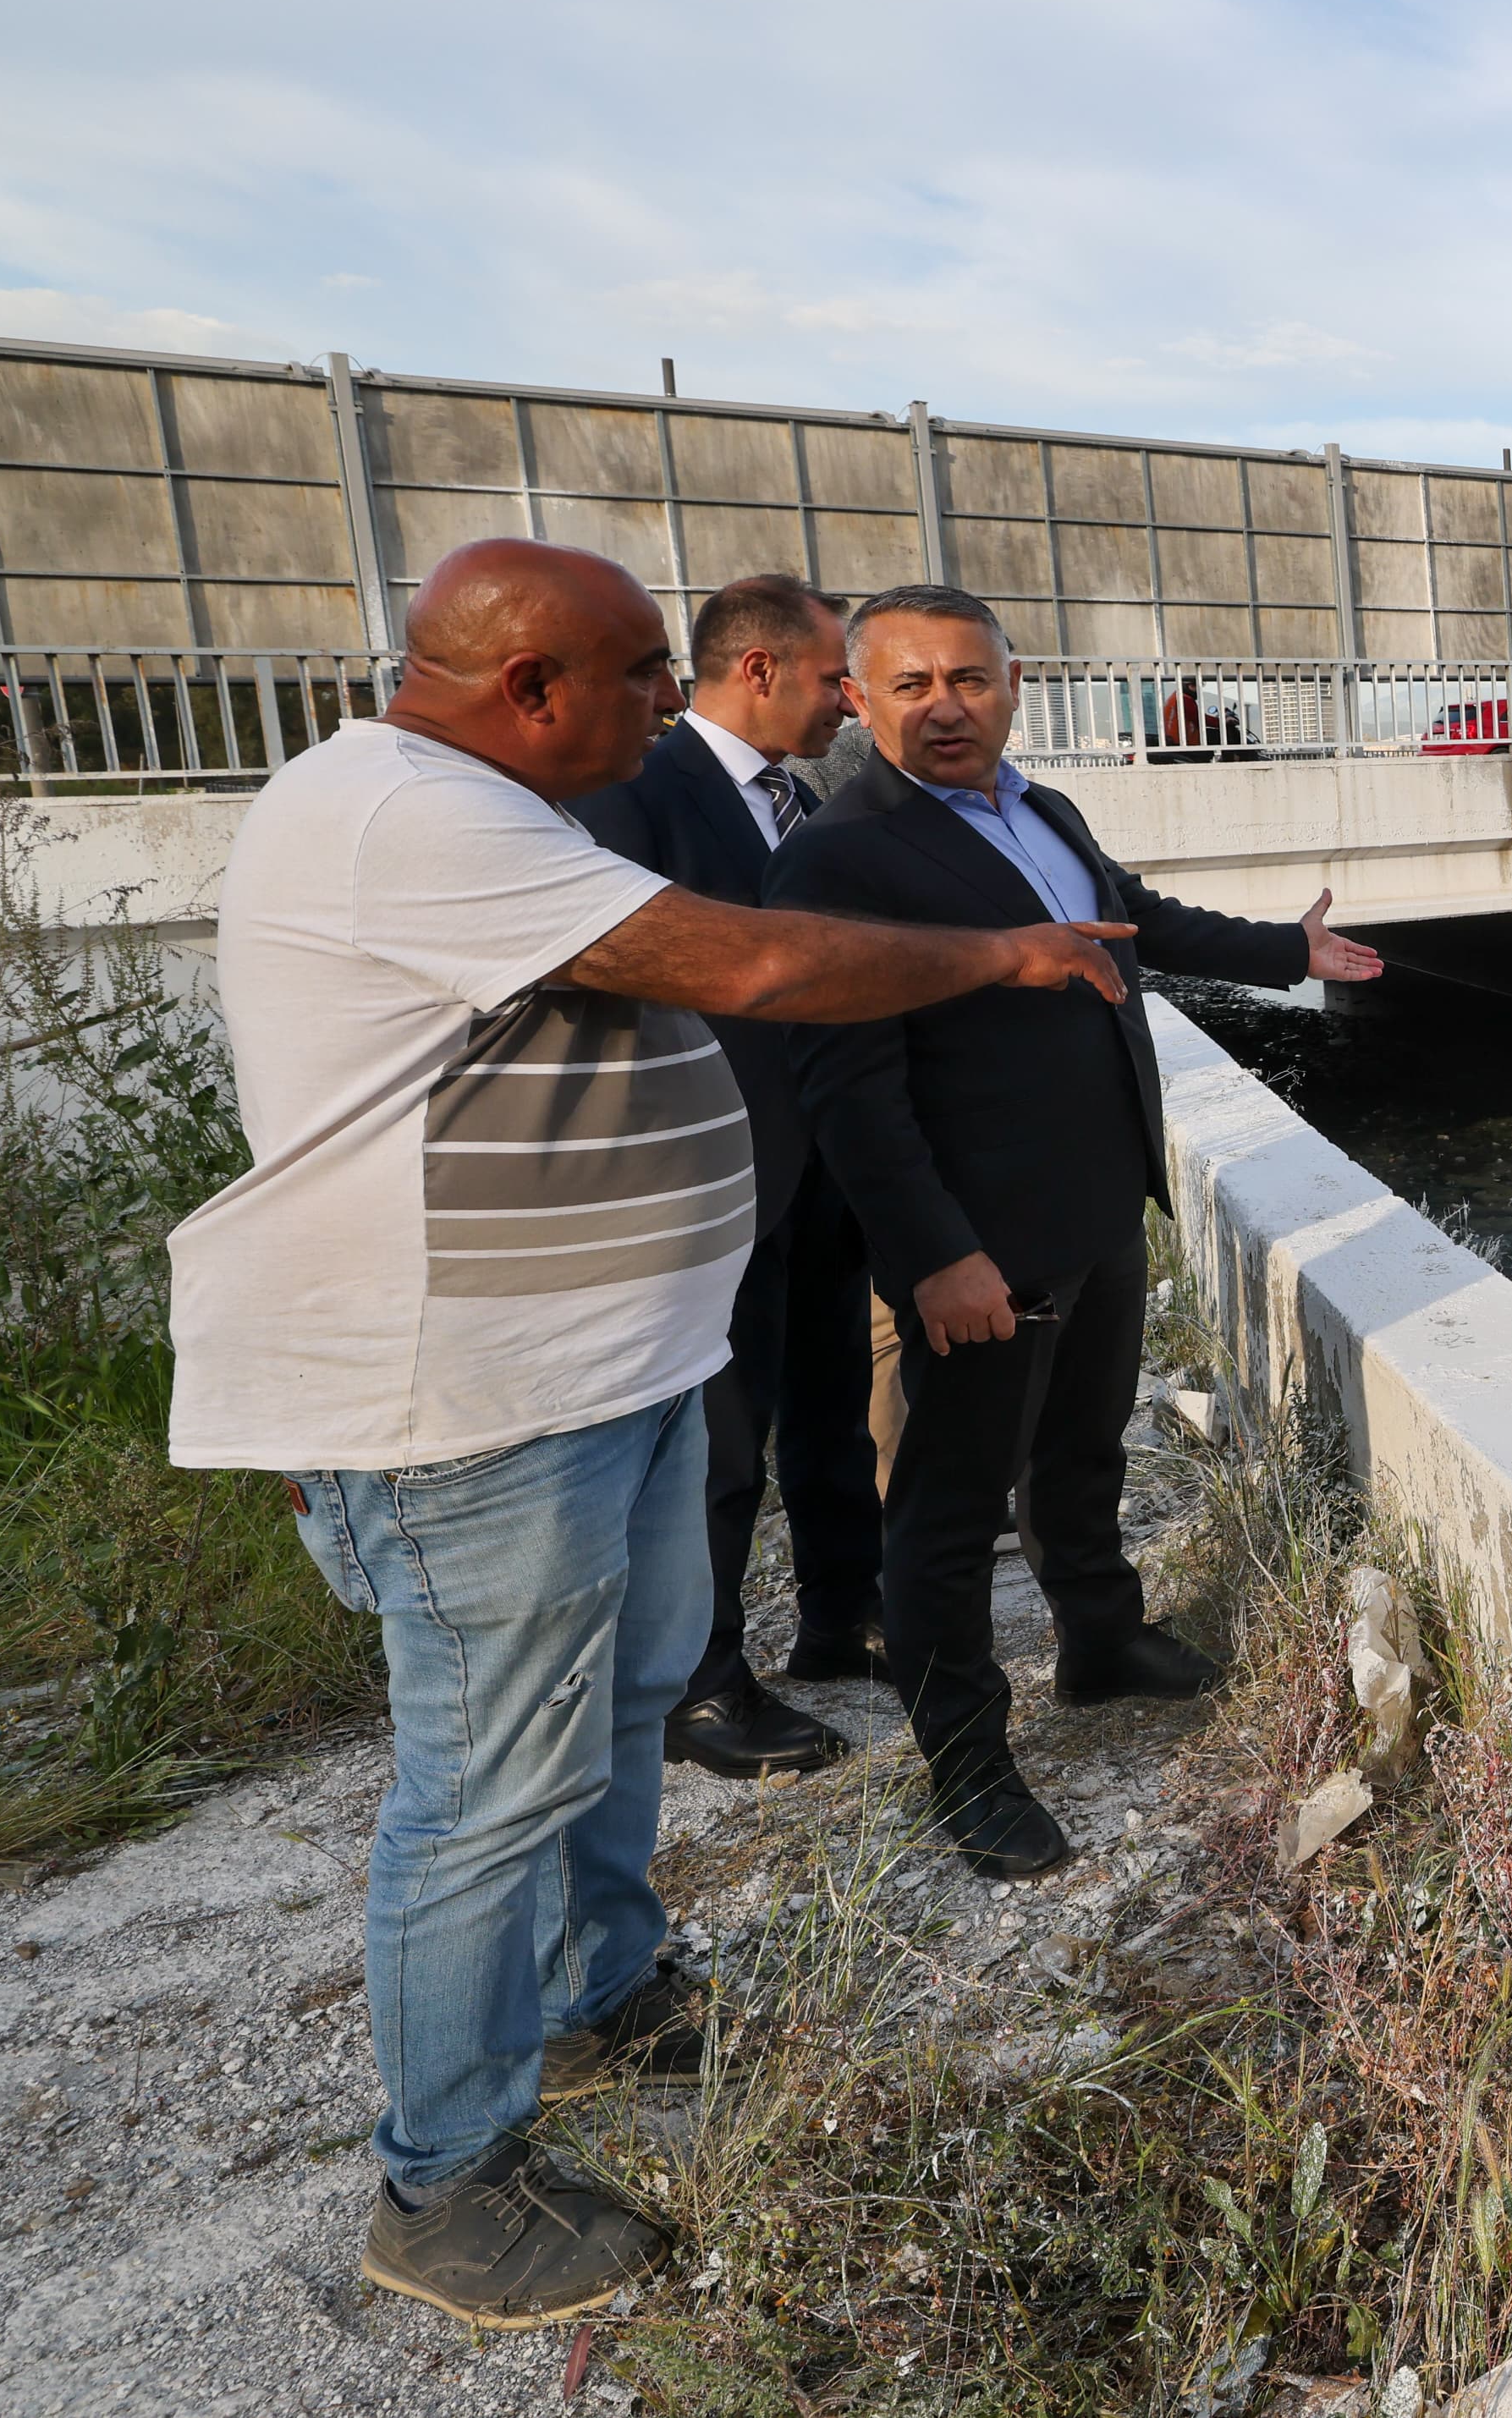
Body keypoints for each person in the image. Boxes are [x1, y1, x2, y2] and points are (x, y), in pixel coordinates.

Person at [168, 540, 1135, 2328]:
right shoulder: (400, 809)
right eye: (630, 675)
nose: (657, 702)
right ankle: (446, 2175)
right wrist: (999, 949)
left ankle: (607, 1987)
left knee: (620, 1705)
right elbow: (751, 962)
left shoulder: (492, 805)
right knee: (483, 1788)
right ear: (532, 683)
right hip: (467, 1400)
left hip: (599, 1371)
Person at [772, 585, 1383, 1880]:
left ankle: (1099, 1643)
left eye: (970, 680)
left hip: (1096, 1206)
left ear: (1012, 683)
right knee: (946, 1507)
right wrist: (933, 1253)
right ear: (860, 699)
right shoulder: (841, 856)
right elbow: (846, 1083)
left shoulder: (1041, 810)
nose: (947, 707)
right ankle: (970, 1760)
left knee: (1080, 1450)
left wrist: (1291, 949)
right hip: (977, 1239)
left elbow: (1136, 920)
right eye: (913, 685)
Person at [570, 573, 877, 1778]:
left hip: (817, 1163)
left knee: (828, 1404)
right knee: (721, 1446)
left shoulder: (800, 802)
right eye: (831, 675)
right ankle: (701, 1685)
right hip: (706, 1177)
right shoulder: (633, 798)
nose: (847, 700)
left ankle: (844, 1614)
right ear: (758, 669)